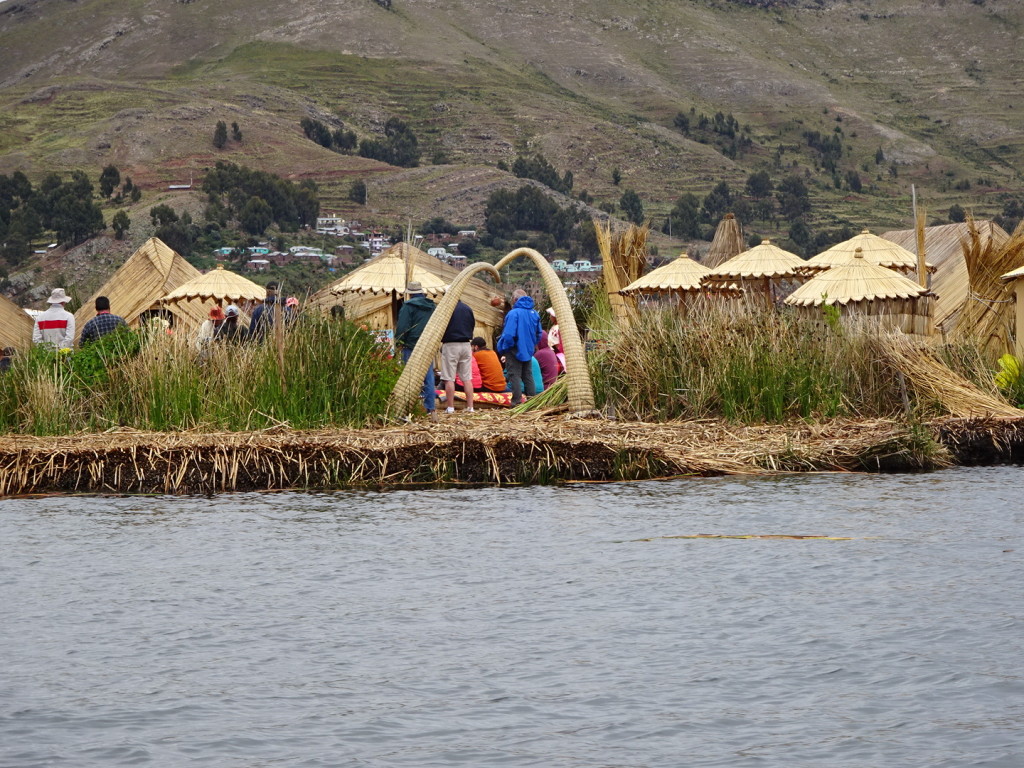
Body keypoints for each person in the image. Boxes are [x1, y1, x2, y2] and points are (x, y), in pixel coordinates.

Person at [395, 281, 437, 417]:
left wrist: (399, 341)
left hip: (411, 345)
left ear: (410, 293)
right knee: (428, 377)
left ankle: (409, 409)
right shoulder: (432, 306)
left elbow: (403, 326)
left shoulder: (408, 306)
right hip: (427, 345)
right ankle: (430, 408)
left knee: (410, 377)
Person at [496, 288, 542, 405]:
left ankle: (516, 402)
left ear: (515, 299)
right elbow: (539, 333)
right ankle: (532, 402)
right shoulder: (534, 313)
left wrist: (504, 348)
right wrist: (531, 345)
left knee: (514, 375)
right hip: (528, 349)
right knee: (528, 375)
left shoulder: (513, 313)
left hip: (514, 349)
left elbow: (509, 334)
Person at [440, 299, 475, 414]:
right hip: (466, 344)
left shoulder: (446, 309)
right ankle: (470, 407)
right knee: (467, 378)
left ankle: (450, 407)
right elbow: (472, 324)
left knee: (449, 378)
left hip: (451, 345)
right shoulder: (467, 308)